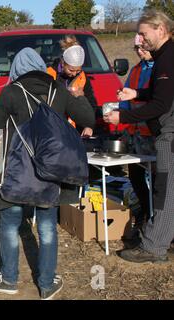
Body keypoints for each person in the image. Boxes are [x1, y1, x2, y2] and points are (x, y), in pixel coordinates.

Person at [0, 48, 95, 300]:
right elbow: (88, 118)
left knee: (9, 225)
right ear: (41, 67)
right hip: (49, 174)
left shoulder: (11, 92)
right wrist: (78, 95)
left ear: (17, 69)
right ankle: (46, 283)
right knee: (47, 227)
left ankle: (9, 279)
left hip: (14, 173)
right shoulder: (59, 91)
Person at [104, 10, 174, 263]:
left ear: (161, 30)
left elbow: (161, 104)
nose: (141, 40)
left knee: (164, 191)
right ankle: (165, 238)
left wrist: (122, 118)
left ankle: (154, 247)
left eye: (144, 34)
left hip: (170, 134)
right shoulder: (165, 56)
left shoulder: (167, 59)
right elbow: (160, 92)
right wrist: (137, 93)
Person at [119, 34, 155, 236]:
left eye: (143, 47)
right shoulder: (136, 70)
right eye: (136, 49)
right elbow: (125, 97)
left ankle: (158, 223)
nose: (140, 52)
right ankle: (143, 214)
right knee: (135, 176)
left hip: (155, 135)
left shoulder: (162, 68)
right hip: (135, 135)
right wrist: (121, 111)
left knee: (160, 182)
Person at [47, 35, 96, 137]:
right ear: (63, 62)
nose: (74, 74)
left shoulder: (83, 78)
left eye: (78, 70)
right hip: (53, 130)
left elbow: (91, 104)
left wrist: (88, 126)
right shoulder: (49, 75)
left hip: (76, 131)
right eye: (71, 70)